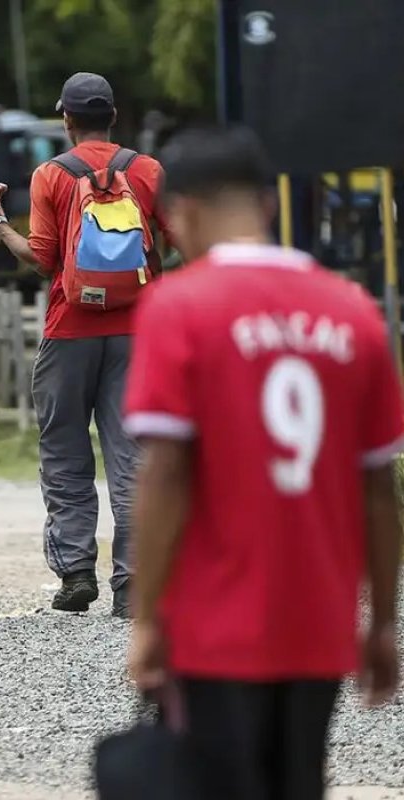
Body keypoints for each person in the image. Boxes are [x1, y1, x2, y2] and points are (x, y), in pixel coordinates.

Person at [124, 126, 402, 799]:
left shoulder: (179, 307)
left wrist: (147, 616)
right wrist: (384, 621)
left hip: (212, 625)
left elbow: (167, 474)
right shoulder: (353, 312)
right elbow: (379, 492)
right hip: (320, 620)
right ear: (267, 206)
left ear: (180, 212)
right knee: (298, 782)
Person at [0, 72, 172, 617]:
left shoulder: (51, 175)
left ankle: (76, 573)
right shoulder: (147, 170)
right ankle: (133, 581)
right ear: (114, 116)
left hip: (69, 330)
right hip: (138, 333)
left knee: (64, 451)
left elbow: (42, 259)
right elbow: (181, 241)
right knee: (131, 454)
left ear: (66, 119)